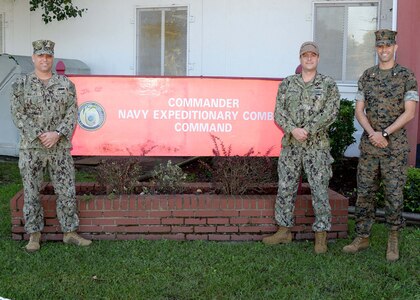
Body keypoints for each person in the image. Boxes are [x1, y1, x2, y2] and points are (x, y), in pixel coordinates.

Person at [343, 29, 418, 261]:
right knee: (364, 193)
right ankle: (362, 236)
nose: (384, 50)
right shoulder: (367, 76)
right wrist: (372, 133)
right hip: (370, 146)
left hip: (394, 148)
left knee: (394, 196)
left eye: (388, 46)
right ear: (376, 49)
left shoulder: (406, 75)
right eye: (380, 46)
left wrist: (384, 132)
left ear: (395, 47)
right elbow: (359, 110)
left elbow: (410, 112)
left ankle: (393, 238)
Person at [10, 40, 92, 252]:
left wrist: (57, 134)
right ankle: (34, 235)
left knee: (66, 190)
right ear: (33, 58)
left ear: (52, 58)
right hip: (31, 149)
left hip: (60, 148)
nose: (44, 59)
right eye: (40, 56)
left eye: (48, 56)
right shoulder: (21, 84)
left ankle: (70, 232)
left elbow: (72, 113)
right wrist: (39, 135)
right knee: (31, 192)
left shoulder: (66, 84)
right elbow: (18, 114)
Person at [263, 41, 340, 253]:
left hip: (317, 147)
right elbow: (279, 112)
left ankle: (321, 234)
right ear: (300, 58)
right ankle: (283, 231)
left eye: (312, 55)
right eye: (305, 55)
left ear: (318, 58)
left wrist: (308, 129)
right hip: (291, 145)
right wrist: (293, 129)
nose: (309, 58)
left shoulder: (328, 84)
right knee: (286, 187)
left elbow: (331, 111)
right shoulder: (287, 84)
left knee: (319, 189)